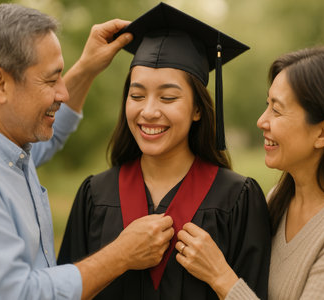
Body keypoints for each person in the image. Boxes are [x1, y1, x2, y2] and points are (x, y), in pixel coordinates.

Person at [0, 4, 175, 300]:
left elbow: (52, 133)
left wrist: (87, 67)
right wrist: (121, 254)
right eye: (51, 80)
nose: (62, 93)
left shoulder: (6, 150)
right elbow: (17, 295)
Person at [57, 3, 271, 300]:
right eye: (137, 95)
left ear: (197, 108)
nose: (149, 111)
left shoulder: (237, 200)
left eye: (168, 97)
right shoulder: (95, 196)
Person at [175, 45, 324, 299]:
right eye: (267, 105)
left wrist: (222, 277)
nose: (262, 121)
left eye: (277, 109)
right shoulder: (278, 199)